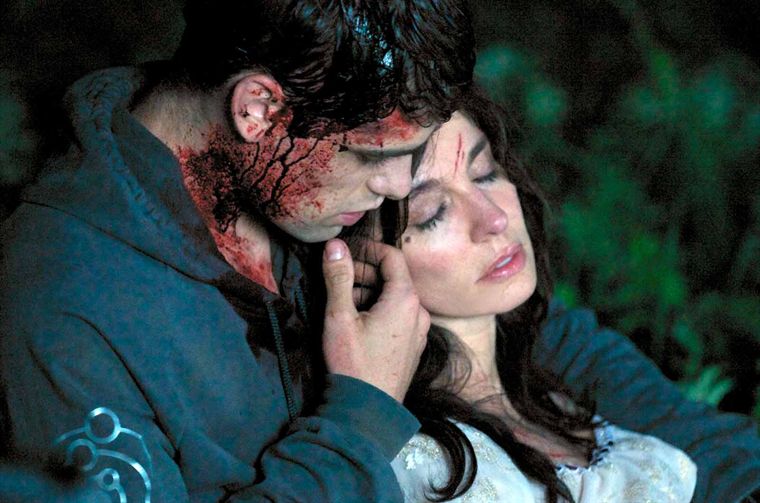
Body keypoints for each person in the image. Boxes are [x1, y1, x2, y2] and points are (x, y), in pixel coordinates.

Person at [0, 1, 474, 501]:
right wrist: (361, 421)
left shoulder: (303, 196)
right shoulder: (55, 313)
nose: (399, 185)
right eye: (369, 155)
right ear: (257, 109)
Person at [343, 91, 759, 501]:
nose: (494, 218)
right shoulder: (433, 466)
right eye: (433, 213)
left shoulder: (554, 380)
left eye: (485, 173)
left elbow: (700, 433)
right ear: (357, 262)